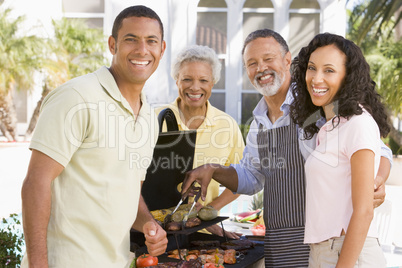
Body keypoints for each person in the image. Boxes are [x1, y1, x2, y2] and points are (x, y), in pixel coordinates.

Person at [182, 29, 392, 267]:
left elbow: (376, 147)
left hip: (323, 241)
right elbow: (251, 176)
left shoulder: (318, 105)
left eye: (268, 59)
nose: (260, 68)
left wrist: (378, 179)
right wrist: (214, 170)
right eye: (252, 63)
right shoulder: (259, 122)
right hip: (279, 243)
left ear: (287, 60)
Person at [20, 5, 168, 268]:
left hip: (119, 261)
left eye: (151, 41)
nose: (142, 50)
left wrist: (147, 223)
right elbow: (36, 183)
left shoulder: (148, 117)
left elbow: (130, 190)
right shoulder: (76, 96)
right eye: (131, 39)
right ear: (113, 44)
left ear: (162, 49)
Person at [290, 33, 389, 267]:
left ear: (348, 78)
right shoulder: (331, 127)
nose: (316, 78)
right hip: (325, 251)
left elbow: (364, 211)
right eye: (312, 68)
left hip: (347, 254)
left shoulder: (358, 124)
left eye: (329, 70)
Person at [156, 45, 245, 239]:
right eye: (187, 79)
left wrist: (207, 212)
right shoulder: (154, 119)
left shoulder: (227, 126)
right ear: (176, 79)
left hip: (203, 234)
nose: (195, 87)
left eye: (203, 80)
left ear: (213, 82)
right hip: (154, 232)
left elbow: (242, 179)